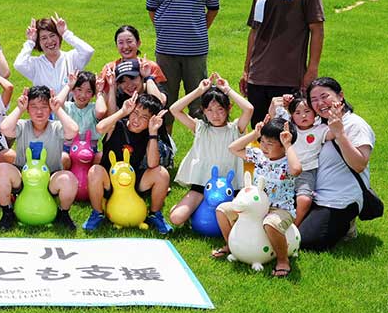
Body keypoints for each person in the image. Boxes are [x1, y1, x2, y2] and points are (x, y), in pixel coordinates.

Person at [240, 0, 324, 125]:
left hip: (288, 78)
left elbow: (317, 30)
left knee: (288, 133)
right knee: (260, 133)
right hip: (258, 79)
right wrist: (246, 70)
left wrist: (312, 70)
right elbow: (254, 31)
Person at [146, 0, 219, 120]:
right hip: (166, 52)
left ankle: (202, 149)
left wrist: (198, 28)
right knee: (164, 105)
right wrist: (165, 29)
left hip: (195, 51)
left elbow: (213, 9)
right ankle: (165, 149)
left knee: (200, 106)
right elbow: (152, 11)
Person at [213, 117, 301, 277]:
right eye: (263, 141)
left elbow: (296, 170)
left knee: (270, 223)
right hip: (254, 206)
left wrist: (288, 145)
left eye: (270, 143)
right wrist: (255, 134)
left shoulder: (288, 161)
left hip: (279, 209)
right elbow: (233, 148)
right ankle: (230, 245)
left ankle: (282, 260)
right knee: (222, 210)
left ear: (283, 146)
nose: (264, 147)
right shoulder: (259, 156)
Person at [168, 74, 254, 227]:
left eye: (220, 109)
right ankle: (192, 213)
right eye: (210, 110)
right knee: (176, 218)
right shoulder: (200, 128)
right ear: (203, 111)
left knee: (241, 224)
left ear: (229, 108)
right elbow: (174, 109)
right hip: (203, 185)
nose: (215, 115)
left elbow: (249, 109)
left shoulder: (236, 129)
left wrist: (227, 90)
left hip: (230, 188)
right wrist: (199, 91)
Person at [300, 77, 375, 250]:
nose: (320, 103)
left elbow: (359, 164)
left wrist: (340, 134)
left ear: (340, 96)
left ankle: (347, 224)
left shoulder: (355, 125)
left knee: (307, 242)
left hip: (340, 200)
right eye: (314, 100)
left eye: (324, 96)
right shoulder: (318, 123)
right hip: (315, 194)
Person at [83, 93, 173, 234]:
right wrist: (122, 112)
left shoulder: (148, 134)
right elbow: (100, 128)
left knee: (162, 174)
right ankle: (97, 213)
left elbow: (152, 163)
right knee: (95, 170)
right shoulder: (117, 125)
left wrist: (153, 133)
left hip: (132, 182)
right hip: (109, 180)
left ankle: (155, 214)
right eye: (135, 113)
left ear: (151, 121)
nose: (136, 119)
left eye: (144, 117)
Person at [0, 86, 80, 230]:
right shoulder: (22, 125)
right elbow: (4, 128)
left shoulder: (57, 127)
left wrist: (58, 109)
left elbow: (73, 130)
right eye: (33, 107)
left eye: (44, 107)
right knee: (1, 170)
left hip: (50, 178)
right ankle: (7, 213)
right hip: (23, 176)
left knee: (69, 179)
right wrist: (19, 109)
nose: (39, 111)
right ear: (28, 109)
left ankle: (63, 214)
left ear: (50, 109)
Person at [268, 93, 328, 227]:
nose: (303, 116)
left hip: (306, 171)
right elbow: (273, 114)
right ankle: (272, 220)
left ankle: (295, 225)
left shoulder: (321, 129)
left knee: (304, 199)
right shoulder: (288, 127)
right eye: (298, 112)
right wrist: (283, 102)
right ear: (292, 115)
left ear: (315, 113)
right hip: (285, 169)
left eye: (307, 111)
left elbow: (334, 133)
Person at [13, 15, 94, 94]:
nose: (50, 41)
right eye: (44, 38)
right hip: (44, 107)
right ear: (38, 42)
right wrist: (30, 42)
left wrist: (65, 33)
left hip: (69, 107)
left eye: (52, 35)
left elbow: (88, 51)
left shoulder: (71, 58)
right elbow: (19, 64)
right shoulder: (36, 64)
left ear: (59, 36)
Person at [95, 58, 167, 120]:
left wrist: (148, 77)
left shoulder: (152, 86)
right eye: (122, 81)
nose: (129, 85)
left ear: (141, 76)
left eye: (132, 78)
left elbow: (160, 103)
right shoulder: (120, 94)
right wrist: (112, 86)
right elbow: (111, 119)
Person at [98, 25, 167, 85]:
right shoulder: (109, 69)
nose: (125, 46)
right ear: (116, 46)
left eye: (129, 41)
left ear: (138, 43)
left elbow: (161, 96)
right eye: (121, 42)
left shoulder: (151, 67)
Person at [56, 70, 100, 155]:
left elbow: (101, 111)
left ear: (93, 94)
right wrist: (69, 86)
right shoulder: (67, 107)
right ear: (73, 90)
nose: (83, 95)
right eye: (79, 89)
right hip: (68, 150)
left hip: (90, 151)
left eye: (89, 91)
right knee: (63, 157)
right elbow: (56, 104)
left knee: (100, 156)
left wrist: (99, 92)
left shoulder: (94, 108)